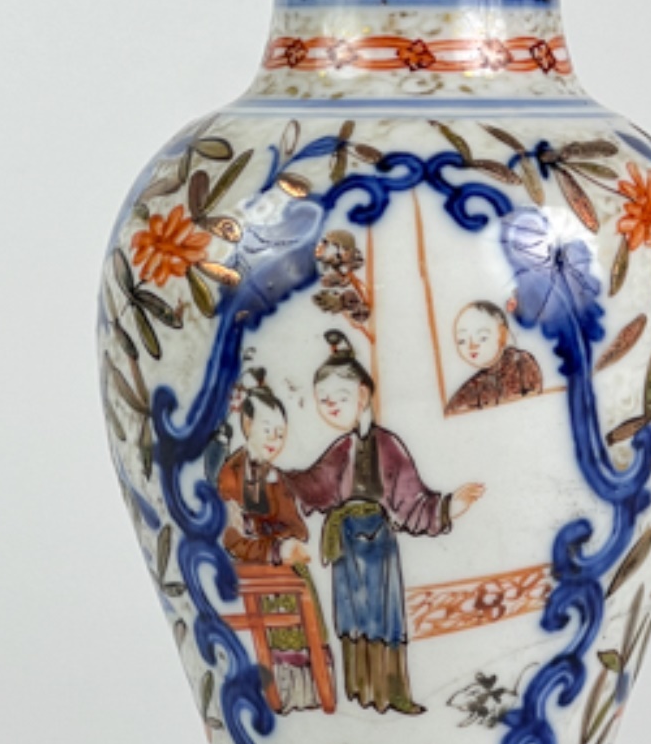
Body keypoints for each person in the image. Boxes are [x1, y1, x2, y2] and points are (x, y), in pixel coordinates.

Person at [287, 332, 483, 713]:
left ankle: (392, 694)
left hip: (378, 544)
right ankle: (359, 693)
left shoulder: (389, 447)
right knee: (352, 617)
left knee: (384, 618)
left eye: (339, 397)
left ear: (362, 395)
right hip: (345, 544)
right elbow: (313, 485)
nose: (330, 407)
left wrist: (448, 508)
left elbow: (412, 500)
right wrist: (280, 478)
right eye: (323, 401)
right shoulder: (340, 450)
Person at [217, 373, 327, 713]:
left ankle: (310, 691)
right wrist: (274, 548)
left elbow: (297, 527)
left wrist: (288, 541)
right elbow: (231, 537)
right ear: (247, 425)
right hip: (250, 564)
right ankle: (278, 693)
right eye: (268, 431)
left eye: (280, 434)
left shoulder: (274, 475)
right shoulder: (230, 475)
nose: (275, 441)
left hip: (277, 558)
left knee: (302, 584)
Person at [445, 301, 543, 414]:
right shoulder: (469, 390)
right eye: (462, 341)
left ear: (502, 335)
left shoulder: (522, 364)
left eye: (482, 338)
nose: (472, 346)